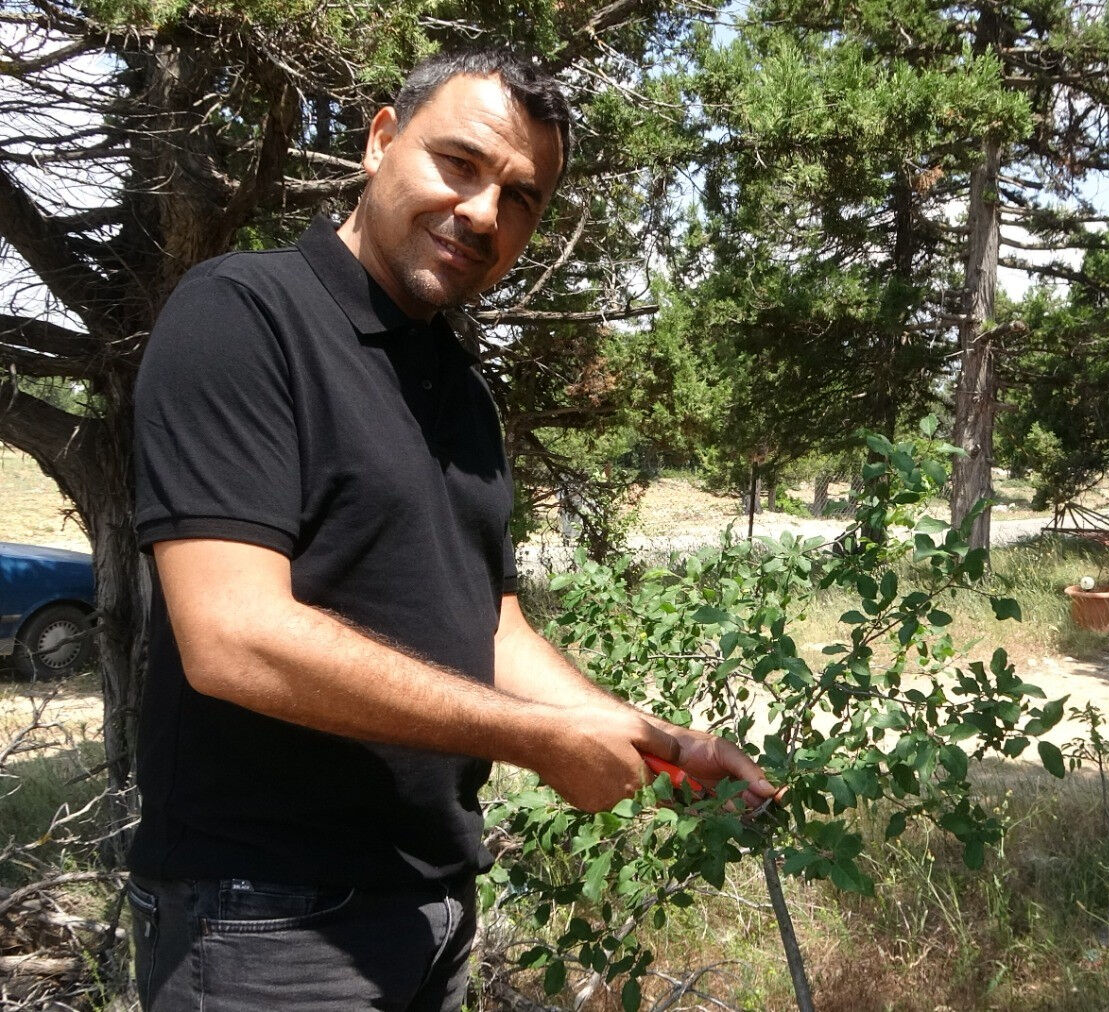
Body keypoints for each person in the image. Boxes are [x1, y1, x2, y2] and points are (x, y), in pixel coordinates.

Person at [128, 46, 774, 1011]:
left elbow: (491, 629)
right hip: (266, 919)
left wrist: (664, 744)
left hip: (431, 910)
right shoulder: (243, 316)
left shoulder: (460, 388)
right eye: (460, 164)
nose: (482, 212)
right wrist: (539, 741)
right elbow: (233, 638)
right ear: (380, 140)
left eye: (520, 198)